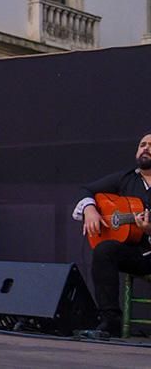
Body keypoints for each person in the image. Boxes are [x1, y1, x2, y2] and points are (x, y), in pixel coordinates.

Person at [74, 133, 151, 338]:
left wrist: (148, 230)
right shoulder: (126, 178)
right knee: (104, 250)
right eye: (142, 144)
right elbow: (86, 190)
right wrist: (90, 210)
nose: (146, 148)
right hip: (135, 253)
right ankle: (110, 320)